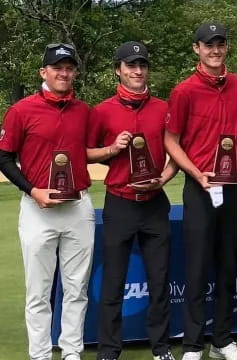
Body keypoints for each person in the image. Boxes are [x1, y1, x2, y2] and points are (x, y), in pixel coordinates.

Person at [0, 43, 94, 360]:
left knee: (76, 289)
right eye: (57, 68)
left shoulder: (84, 111)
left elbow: (92, 150)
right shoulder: (21, 110)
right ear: (44, 72)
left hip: (78, 207)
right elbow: (3, 157)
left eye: (69, 68)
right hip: (38, 209)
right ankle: (40, 355)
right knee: (39, 292)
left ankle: (71, 352)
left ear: (75, 73)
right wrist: (32, 190)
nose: (64, 73)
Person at [86, 41, 178, 360]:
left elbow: (178, 151)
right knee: (113, 282)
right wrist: (112, 149)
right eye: (130, 66)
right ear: (119, 70)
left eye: (142, 65)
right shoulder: (102, 111)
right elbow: (85, 152)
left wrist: (164, 178)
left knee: (159, 279)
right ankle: (110, 349)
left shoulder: (163, 108)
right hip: (120, 202)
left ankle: (161, 347)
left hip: (154, 202)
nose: (137, 71)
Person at [164, 23, 237, 360]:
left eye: (220, 44)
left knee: (229, 266)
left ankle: (223, 341)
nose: (215, 50)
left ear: (226, 48)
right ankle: (193, 344)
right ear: (196, 49)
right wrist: (197, 174)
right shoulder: (183, 91)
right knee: (197, 268)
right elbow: (171, 140)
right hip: (201, 187)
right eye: (208, 45)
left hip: (236, 186)